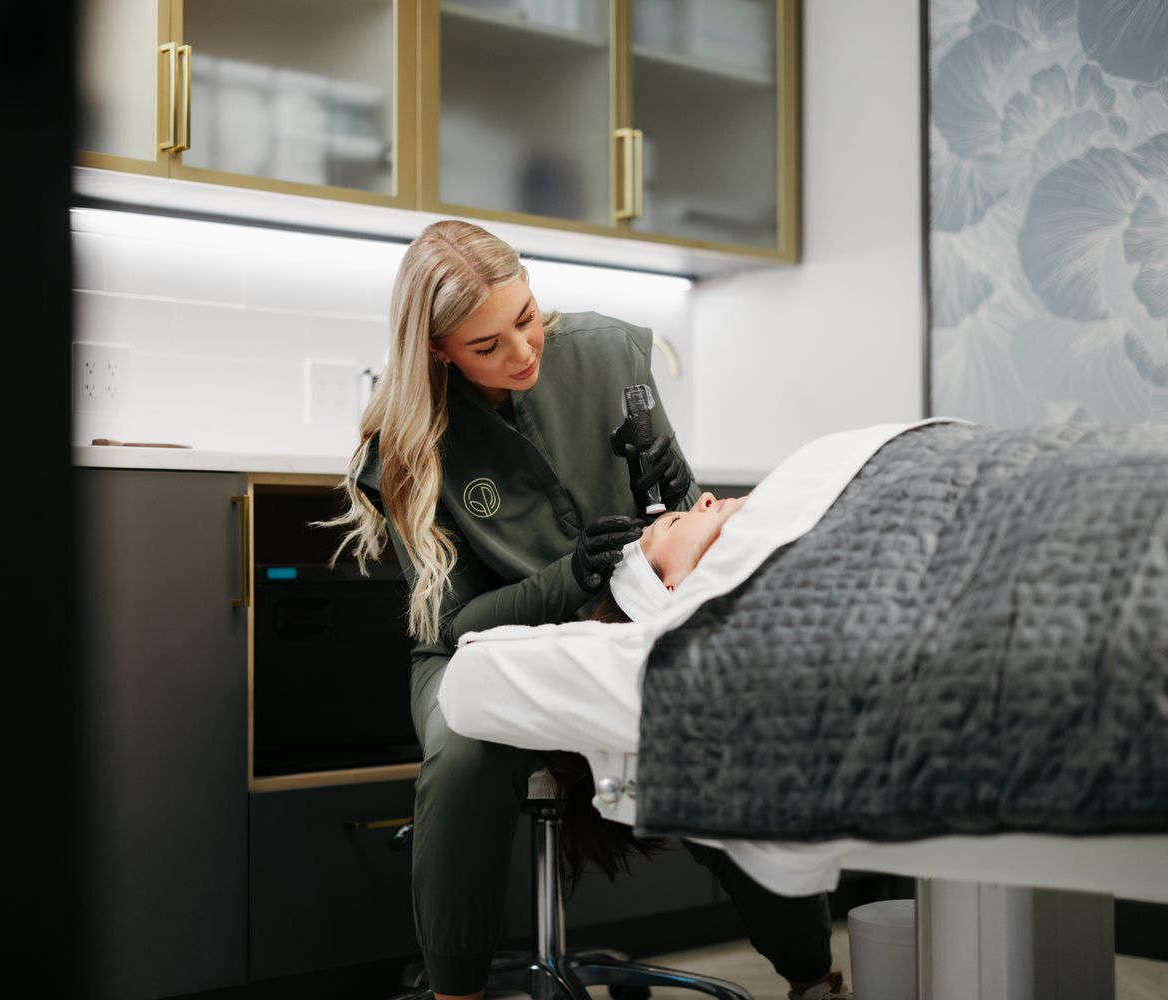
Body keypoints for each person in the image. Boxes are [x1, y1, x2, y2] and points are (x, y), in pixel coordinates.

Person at [325, 220, 844, 1000]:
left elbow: (684, 533)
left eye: (526, 319)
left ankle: (814, 976)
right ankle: (455, 991)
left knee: (718, 726)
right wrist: (567, 580)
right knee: (467, 749)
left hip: (626, 623)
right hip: (478, 650)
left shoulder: (607, 352)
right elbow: (458, 627)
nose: (523, 352)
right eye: (487, 346)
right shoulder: (410, 446)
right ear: (438, 351)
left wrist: (674, 489)